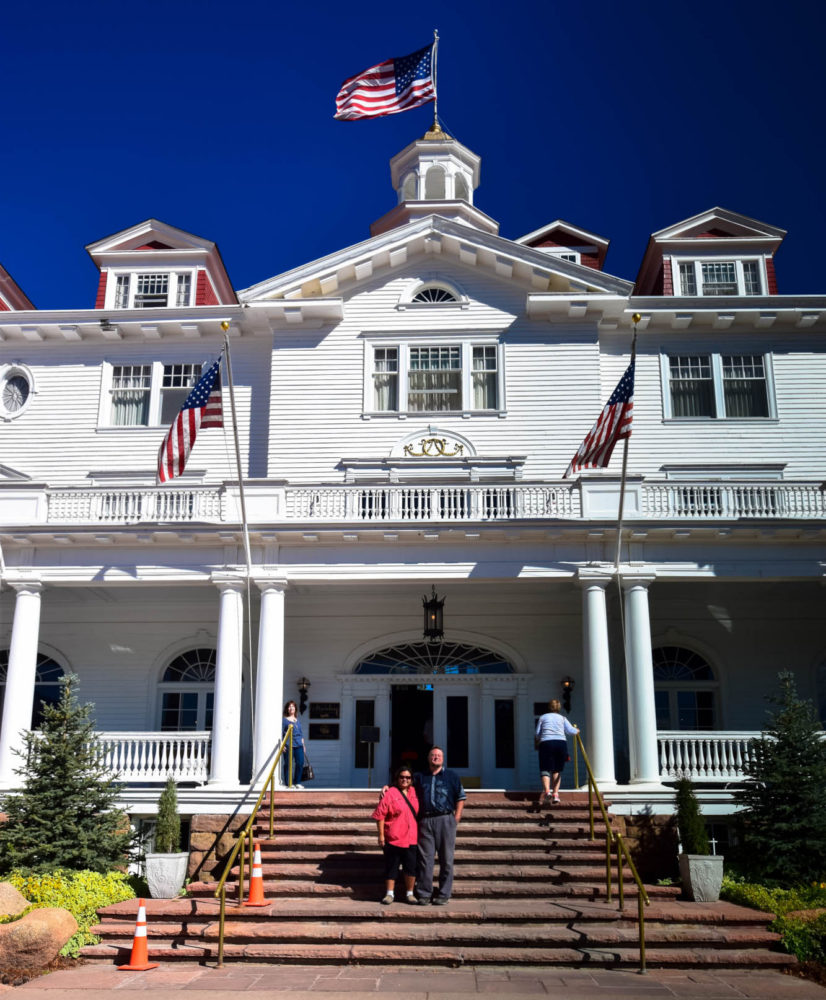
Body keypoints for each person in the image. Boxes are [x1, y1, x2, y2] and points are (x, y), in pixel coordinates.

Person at [413, 746, 465, 905]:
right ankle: (424, 893)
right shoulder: (419, 776)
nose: (435, 757)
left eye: (438, 755)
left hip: (445, 819)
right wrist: (389, 787)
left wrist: (456, 817)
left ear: (443, 759)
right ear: (428, 758)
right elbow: (404, 788)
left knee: (446, 859)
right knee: (425, 859)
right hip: (425, 820)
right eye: (433, 755)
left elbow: (461, 797)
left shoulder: (452, 776)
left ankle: (444, 894)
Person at [371, 766, 420, 905]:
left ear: (411, 780)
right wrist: (381, 835)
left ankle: (410, 893)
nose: (405, 779)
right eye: (402, 777)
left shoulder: (415, 792)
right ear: (397, 778)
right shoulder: (390, 793)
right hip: (394, 837)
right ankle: (389, 894)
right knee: (391, 867)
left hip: (411, 837)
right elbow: (380, 816)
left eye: (408, 777)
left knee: (410, 867)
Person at [535, 698, 579, 805]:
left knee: (545, 769)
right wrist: (577, 730)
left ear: (549, 707)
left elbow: (537, 734)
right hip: (560, 744)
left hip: (546, 743)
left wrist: (541, 738)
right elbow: (571, 731)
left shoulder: (543, 717)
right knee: (556, 770)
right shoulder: (562, 718)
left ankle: (547, 792)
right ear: (559, 708)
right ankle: (555, 794)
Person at [281, 700, 305, 789]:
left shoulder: (297, 720)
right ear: (287, 709)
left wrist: (303, 745)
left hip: (299, 745)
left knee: (300, 763)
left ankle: (297, 782)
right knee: (288, 764)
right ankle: (289, 783)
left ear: (295, 709)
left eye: (293, 706)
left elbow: (300, 733)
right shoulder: (284, 720)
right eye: (290, 706)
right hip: (288, 745)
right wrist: (282, 745)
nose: (291, 708)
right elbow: (280, 733)